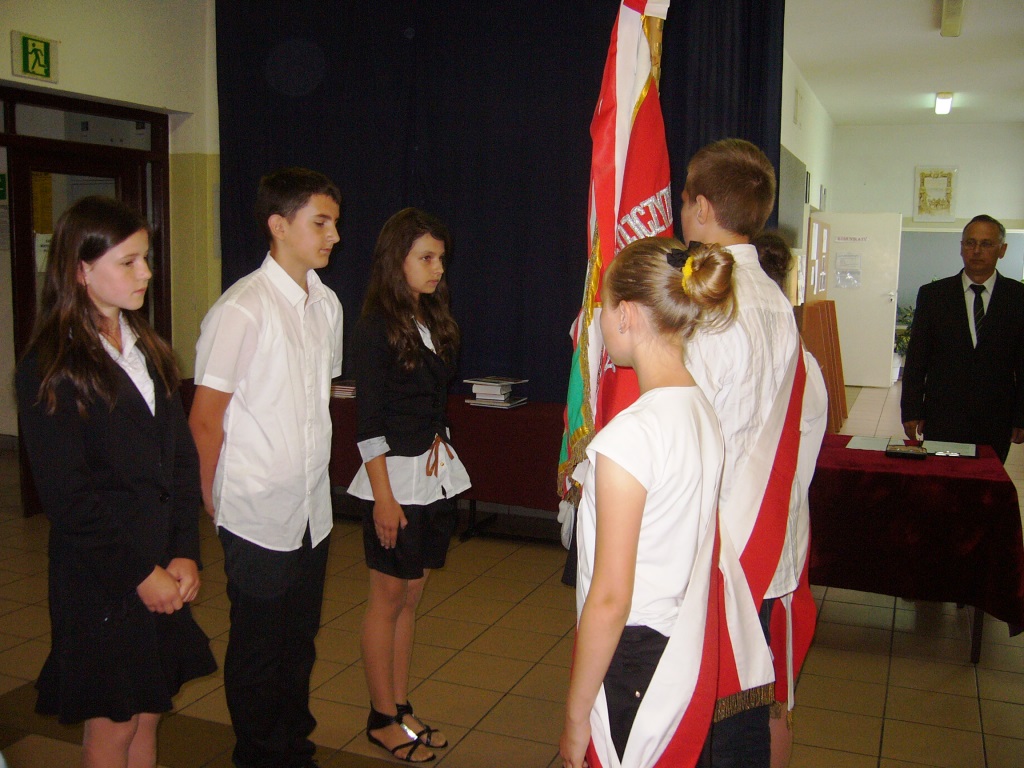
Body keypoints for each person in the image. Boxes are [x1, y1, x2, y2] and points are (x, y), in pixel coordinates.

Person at [16, 196, 216, 768]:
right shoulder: (50, 365)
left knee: (149, 712)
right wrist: (139, 574)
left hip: (160, 562)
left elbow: (179, 462)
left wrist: (184, 551)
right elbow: (69, 499)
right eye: (128, 262)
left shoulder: (146, 348)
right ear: (81, 271)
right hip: (102, 574)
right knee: (113, 727)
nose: (146, 273)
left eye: (145, 258)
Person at [559, 237, 735, 768]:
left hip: (634, 655)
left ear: (627, 314)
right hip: (681, 642)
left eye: (603, 307)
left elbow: (611, 598)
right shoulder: (700, 409)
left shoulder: (630, 438)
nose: (599, 321)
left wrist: (575, 717)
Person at [188, 168, 343, 768]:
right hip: (255, 510)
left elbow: (314, 402)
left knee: (298, 641)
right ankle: (257, 754)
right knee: (258, 646)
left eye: (334, 223)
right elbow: (205, 419)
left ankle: (292, 746)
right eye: (320, 223)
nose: (333, 236)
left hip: (311, 509)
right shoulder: (242, 309)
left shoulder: (326, 304)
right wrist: (211, 497)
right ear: (279, 226)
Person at [679, 138, 817, 768]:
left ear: (703, 208)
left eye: (685, 199)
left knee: (712, 707)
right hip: (763, 536)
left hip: (719, 544)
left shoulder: (708, 302)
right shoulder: (776, 301)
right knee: (746, 699)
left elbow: (689, 433)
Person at [347, 208, 469, 763]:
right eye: (426, 257)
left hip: (431, 478)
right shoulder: (375, 326)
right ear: (397, 260)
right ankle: (380, 718)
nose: (438, 268)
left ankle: (400, 705)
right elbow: (368, 422)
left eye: (440, 258)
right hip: (393, 480)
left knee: (412, 597)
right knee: (387, 598)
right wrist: (384, 499)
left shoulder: (430, 318)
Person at [901, 214, 1024, 463]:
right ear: (961, 247)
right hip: (942, 415)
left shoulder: (1017, 297)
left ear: (1002, 250)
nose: (976, 251)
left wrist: (1021, 416)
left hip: (996, 417)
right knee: (943, 479)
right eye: (970, 243)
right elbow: (917, 358)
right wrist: (912, 410)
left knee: (986, 480)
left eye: (986, 244)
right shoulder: (934, 296)